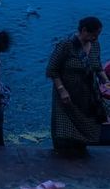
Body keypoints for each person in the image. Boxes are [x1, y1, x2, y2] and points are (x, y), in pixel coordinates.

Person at [46, 16, 110, 152]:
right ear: (84, 30)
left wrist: (106, 81)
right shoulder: (66, 45)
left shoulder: (95, 45)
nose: (96, 38)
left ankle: (80, 150)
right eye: (94, 35)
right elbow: (52, 69)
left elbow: (97, 67)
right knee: (64, 129)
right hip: (66, 96)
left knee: (85, 126)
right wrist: (62, 90)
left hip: (86, 96)